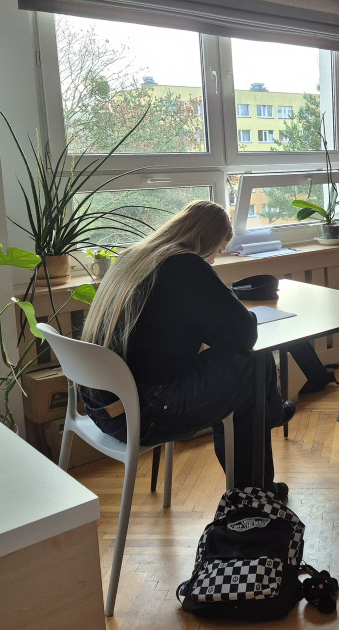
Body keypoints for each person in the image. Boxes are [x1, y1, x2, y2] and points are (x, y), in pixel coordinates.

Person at [79, 200, 293, 495]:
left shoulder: (134, 257)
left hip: (105, 408)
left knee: (243, 367)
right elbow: (245, 334)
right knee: (254, 363)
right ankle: (255, 490)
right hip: (144, 413)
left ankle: (268, 424)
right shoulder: (184, 264)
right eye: (218, 251)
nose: (214, 261)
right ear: (207, 241)